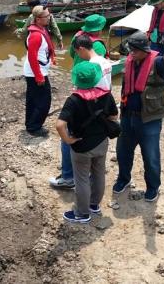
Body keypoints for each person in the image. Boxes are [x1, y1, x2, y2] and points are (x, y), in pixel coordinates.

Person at [114, 31, 164, 202]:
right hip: (128, 116)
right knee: (122, 151)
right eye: (130, 50)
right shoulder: (130, 61)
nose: (131, 54)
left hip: (149, 119)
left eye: (135, 50)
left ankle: (153, 187)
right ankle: (123, 179)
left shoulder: (157, 62)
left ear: (145, 50)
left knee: (150, 156)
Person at [56, 61, 119, 223]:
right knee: (99, 173)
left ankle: (82, 214)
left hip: (81, 145)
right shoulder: (106, 94)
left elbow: (60, 125)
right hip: (101, 142)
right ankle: (94, 205)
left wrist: (68, 140)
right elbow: (113, 117)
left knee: (82, 178)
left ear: (77, 80)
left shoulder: (73, 100)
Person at [49, 34, 112, 189]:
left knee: (68, 140)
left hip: (87, 109)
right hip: (102, 108)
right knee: (93, 142)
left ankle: (68, 177)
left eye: (77, 52)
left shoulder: (91, 66)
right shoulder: (106, 62)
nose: (78, 55)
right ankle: (85, 173)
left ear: (82, 48)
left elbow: (88, 88)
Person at [23, 6, 56, 137]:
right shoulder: (36, 35)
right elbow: (32, 57)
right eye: (46, 16)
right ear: (37, 19)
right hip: (36, 72)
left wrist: (52, 56)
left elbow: (46, 46)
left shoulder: (41, 29)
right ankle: (34, 127)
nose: (49, 17)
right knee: (44, 101)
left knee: (33, 99)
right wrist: (39, 76)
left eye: (49, 15)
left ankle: (30, 123)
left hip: (36, 70)